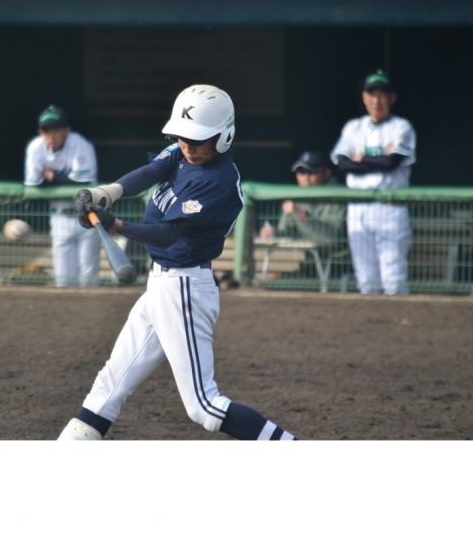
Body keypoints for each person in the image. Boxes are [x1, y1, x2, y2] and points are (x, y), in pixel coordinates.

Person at [58, 84, 298, 441]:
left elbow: (168, 234)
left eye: (197, 139)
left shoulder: (216, 181)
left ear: (223, 136)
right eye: (182, 137)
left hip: (184, 289)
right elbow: (151, 171)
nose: (188, 146)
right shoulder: (184, 151)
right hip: (161, 286)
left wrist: (116, 225)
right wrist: (105, 193)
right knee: (109, 386)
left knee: (204, 406)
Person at [331, 70, 416, 295]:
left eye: (382, 95)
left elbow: (391, 163)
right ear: (364, 98)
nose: (376, 101)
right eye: (371, 94)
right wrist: (377, 160)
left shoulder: (401, 127)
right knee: (365, 279)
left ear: (392, 98)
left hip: (389, 207)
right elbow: (342, 164)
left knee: (393, 278)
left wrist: (360, 158)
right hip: (358, 209)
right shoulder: (353, 127)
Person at [23, 105, 100, 287]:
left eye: (56, 130)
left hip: (88, 216)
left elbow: (83, 183)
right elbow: (33, 184)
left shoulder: (79, 144)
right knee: (63, 282)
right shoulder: (35, 147)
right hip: (59, 218)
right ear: (40, 132)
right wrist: (63, 178)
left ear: (66, 130)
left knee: (88, 281)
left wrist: (51, 176)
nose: (51, 136)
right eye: (46, 131)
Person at [260, 150, 345, 244]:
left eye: (312, 172)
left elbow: (333, 239)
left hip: (335, 253)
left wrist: (300, 214)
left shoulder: (338, 197)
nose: (305, 177)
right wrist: (273, 233)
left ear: (326, 173)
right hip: (306, 253)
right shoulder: (296, 199)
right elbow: (285, 233)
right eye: (301, 172)